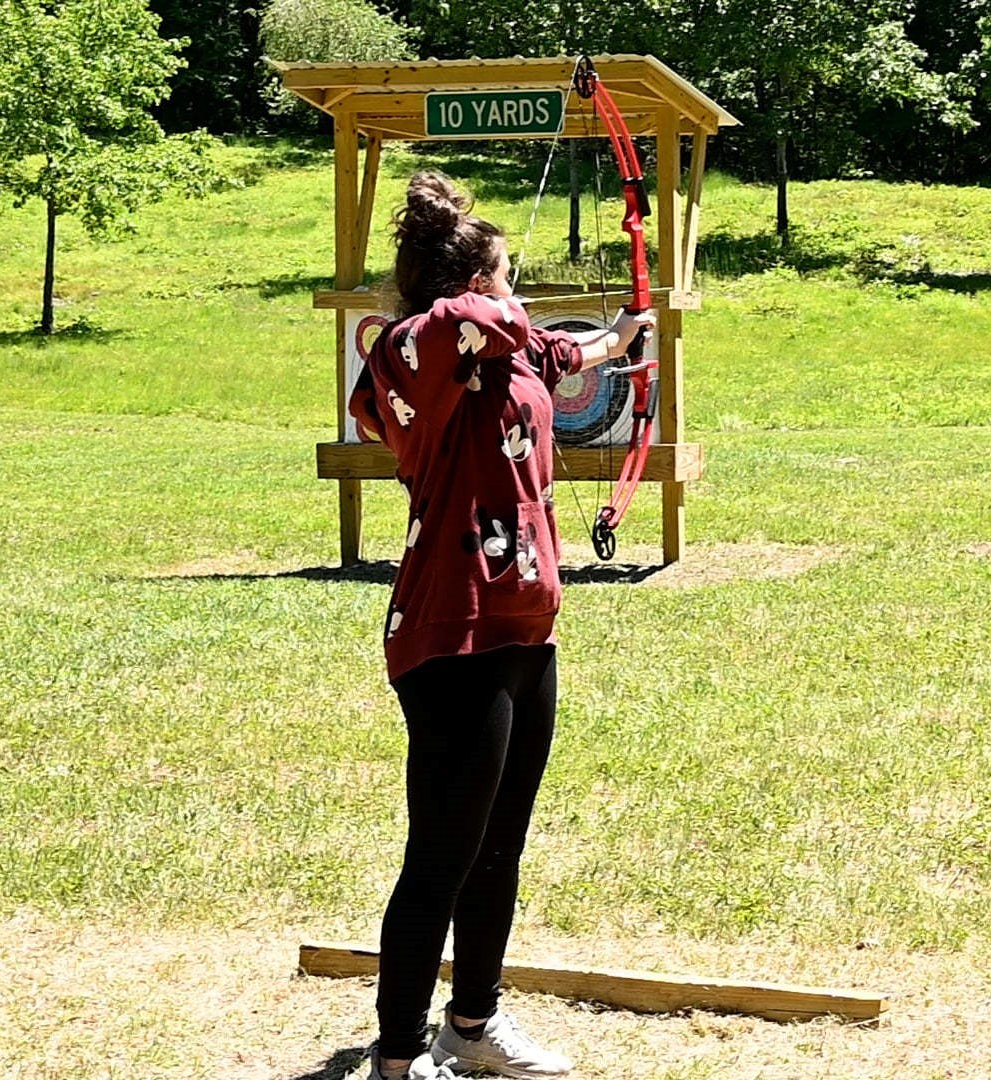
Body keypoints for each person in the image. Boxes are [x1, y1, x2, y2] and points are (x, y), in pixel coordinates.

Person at [347, 170, 653, 1080]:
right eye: (506, 275)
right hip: (452, 627)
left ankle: (471, 1025)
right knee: (440, 854)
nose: (515, 294)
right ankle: (397, 1056)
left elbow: (563, 353)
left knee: (498, 845)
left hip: (526, 620)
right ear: (476, 283)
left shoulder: (506, 352)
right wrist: (493, 297)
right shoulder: (412, 350)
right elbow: (461, 323)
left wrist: (622, 335)